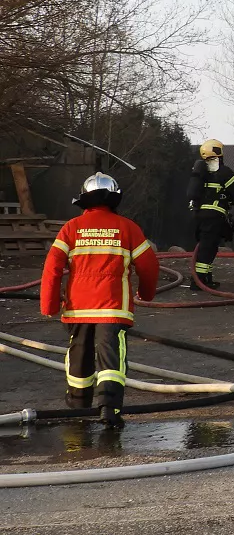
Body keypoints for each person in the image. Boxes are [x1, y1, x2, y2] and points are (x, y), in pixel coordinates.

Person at [40, 172, 160, 429]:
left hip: (78, 307)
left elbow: (52, 268)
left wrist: (48, 304)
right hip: (113, 307)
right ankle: (109, 408)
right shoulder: (128, 228)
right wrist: (146, 293)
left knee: (79, 352)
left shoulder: (70, 228)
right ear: (115, 199)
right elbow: (149, 266)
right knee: (110, 357)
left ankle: (78, 405)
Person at [186, 139, 234, 290]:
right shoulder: (225, 173)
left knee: (206, 246)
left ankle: (205, 278)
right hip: (214, 216)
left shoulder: (200, 174)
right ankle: (199, 281)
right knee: (208, 248)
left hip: (198, 215)